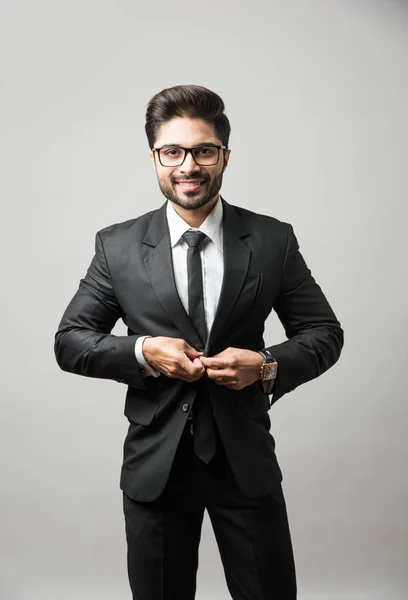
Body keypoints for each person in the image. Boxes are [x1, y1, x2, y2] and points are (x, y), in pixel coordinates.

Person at [55, 84, 344, 600]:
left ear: (224, 156)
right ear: (154, 158)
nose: (188, 166)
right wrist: (143, 352)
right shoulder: (117, 245)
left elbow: (324, 333)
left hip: (245, 460)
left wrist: (266, 365)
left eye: (203, 150)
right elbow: (71, 341)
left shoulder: (273, 239)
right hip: (156, 468)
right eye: (173, 152)